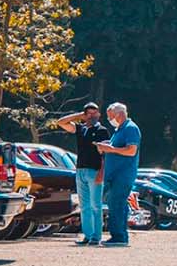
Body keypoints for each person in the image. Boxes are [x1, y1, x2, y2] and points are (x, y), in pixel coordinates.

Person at [56, 101, 110, 245]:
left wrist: (101, 173)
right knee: (84, 206)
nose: (93, 116)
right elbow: (61, 122)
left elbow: (106, 154)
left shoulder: (102, 131)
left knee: (96, 205)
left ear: (99, 114)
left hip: (95, 171)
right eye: (89, 113)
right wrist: (79, 115)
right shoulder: (80, 129)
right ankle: (87, 235)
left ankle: (96, 237)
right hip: (80, 170)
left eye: (95, 113)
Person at [96, 102, 141, 246]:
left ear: (120, 114)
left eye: (111, 116)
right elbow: (117, 146)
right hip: (115, 175)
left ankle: (120, 237)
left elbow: (131, 150)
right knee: (115, 204)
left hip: (123, 175)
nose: (110, 120)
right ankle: (118, 235)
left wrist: (110, 149)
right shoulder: (119, 129)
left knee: (117, 204)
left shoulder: (130, 128)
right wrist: (106, 145)